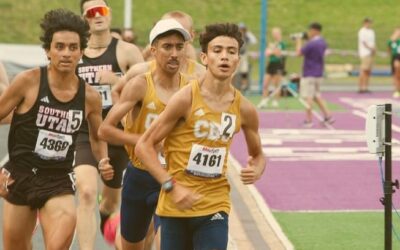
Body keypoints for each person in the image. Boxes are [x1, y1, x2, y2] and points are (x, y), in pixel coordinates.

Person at [135, 23, 266, 250]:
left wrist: (256, 169)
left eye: (231, 52)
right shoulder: (185, 98)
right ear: (204, 58)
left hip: (215, 205)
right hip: (176, 206)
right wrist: (170, 186)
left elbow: (258, 155)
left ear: (238, 60)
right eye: (217, 51)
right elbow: (144, 146)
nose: (224, 57)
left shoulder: (245, 109)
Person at [0, 9, 112, 250]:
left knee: (60, 241)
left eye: (73, 47)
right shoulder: (27, 81)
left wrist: (103, 159)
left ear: (81, 52)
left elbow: (96, 136)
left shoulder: (90, 97)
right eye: (59, 46)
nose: (66, 53)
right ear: (47, 50)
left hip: (57, 180)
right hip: (20, 175)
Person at [98, 18, 191, 250]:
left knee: (166, 242)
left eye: (179, 47)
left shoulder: (193, 88)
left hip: (174, 176)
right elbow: (105, 129)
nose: (174, 54)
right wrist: (141, 140)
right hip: (139, 176)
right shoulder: (141, 85)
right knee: (132, 246)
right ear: (153, 50)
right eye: (167, 47)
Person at [76, 1, 144, 249]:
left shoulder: (126, 51)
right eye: (91, 13)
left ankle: (108, 225)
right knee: (85, 193)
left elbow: (147, 91)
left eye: (101, 11)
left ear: (109, 14)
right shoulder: (75, 51)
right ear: (84, 18)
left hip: (118, 135)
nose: (97, 16)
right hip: (85, 134)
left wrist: (117, 80)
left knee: (110, 203)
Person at [112, 11, 205, 98]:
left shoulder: (201, 75)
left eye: (179, 32)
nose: (174, 36)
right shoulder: (141, 71)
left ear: (191, 36)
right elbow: (116, 91)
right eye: (167, 30)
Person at [295, 22, 334, 128]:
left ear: (314, 30)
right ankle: (328, 115)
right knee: (317, 96)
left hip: (309, 73)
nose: (309, 33)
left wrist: (298, 41)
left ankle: (308, 120)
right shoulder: (323, 42)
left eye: (310, 30)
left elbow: (298, 53)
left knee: (309, 97)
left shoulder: (311, 43)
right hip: (319, 73)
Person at [258, 27, 286, 108]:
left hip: (278, 65)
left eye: (276, 33)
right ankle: (264, 101)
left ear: (279, 34)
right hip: (271, 64)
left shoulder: (281, 44)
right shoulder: (274, 43)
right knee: (265, 84)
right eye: (273, 34)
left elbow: (278, 53)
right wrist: (271, 50)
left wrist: (272, 50)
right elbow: (267, 53)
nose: (274, 35)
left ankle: (276, 101)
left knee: (276, 84)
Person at [234, 22, 257, 93]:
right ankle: (233, 87)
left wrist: (248, 32)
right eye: (240, 29)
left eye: (242, 29)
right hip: (236, 55)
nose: (241, 31)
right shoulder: (235, 37)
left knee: (244, 71)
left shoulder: (246, 37)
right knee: (234, 72)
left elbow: (254, 41)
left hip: (243, 56)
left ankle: (244, 86)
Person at [358, 17, 376, 93]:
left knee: (368, 71)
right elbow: (364, 42)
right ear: (364, 23)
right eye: (368, 22)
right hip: (365, 52)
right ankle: (361, 87)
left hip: (371, 53)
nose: (369, 24)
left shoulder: (371, 31)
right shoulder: (362, 31)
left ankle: (366, 87)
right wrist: (371, 48)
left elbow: (373, 41)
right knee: (363, 70)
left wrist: (374, 49)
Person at [388, 27, 400, 98]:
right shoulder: (392, 41)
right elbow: (389, 48)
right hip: (395, 57)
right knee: (395, 75)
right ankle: (396, 90)